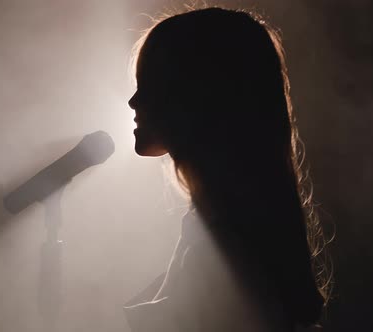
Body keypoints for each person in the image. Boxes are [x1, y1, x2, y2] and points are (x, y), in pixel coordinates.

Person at [124, 7, 330, 332]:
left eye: (149, 84)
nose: (134, 103)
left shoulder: (230, 242)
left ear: (196, 94)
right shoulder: (228, 225)